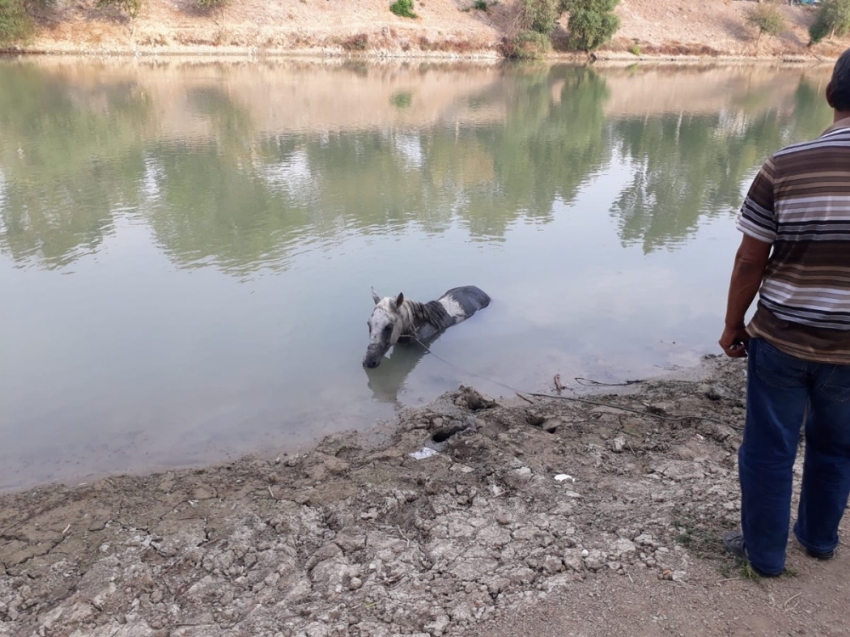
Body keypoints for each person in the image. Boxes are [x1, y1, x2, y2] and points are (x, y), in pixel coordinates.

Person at [719, 48, 850, 577]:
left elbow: (752, 258)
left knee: (770, 449)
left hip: (783, 338)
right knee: (837, 447)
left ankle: (764, 555)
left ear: (828, 93)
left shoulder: (785, 165)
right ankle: (819, 540)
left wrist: (733, 324)